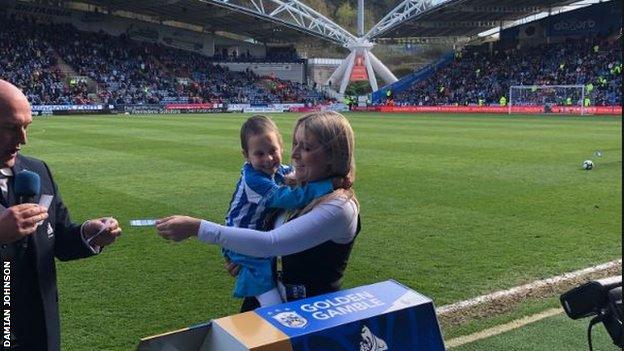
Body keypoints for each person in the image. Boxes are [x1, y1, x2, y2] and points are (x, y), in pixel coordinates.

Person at [157, 111, 360, 311]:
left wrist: (197, 228)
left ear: (333, 156)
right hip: (265, 301)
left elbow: (271, 243)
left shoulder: (339, 206)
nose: (295, 153)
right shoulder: (292, 184)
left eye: (306, 147)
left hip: (310, 314)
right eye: (295, 143)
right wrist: (246, 260)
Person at [0, 79, 122, 351]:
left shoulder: (38, 172)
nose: (22, 139)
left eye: (26, 127)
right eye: (10, 128)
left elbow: (59, 238)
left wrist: (88, 234)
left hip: (40, 329)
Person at [223, 115, 334, 307]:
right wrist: (328, 184)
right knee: (272, 302)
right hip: (240, 242)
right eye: (259, 154)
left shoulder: (279, 170)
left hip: (251, 240)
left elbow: (295, 176)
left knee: (268, 275)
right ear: (246, 156)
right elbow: (287, 198)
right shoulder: (253, 180)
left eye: (272, 150)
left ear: (281, 147)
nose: (268, 159)